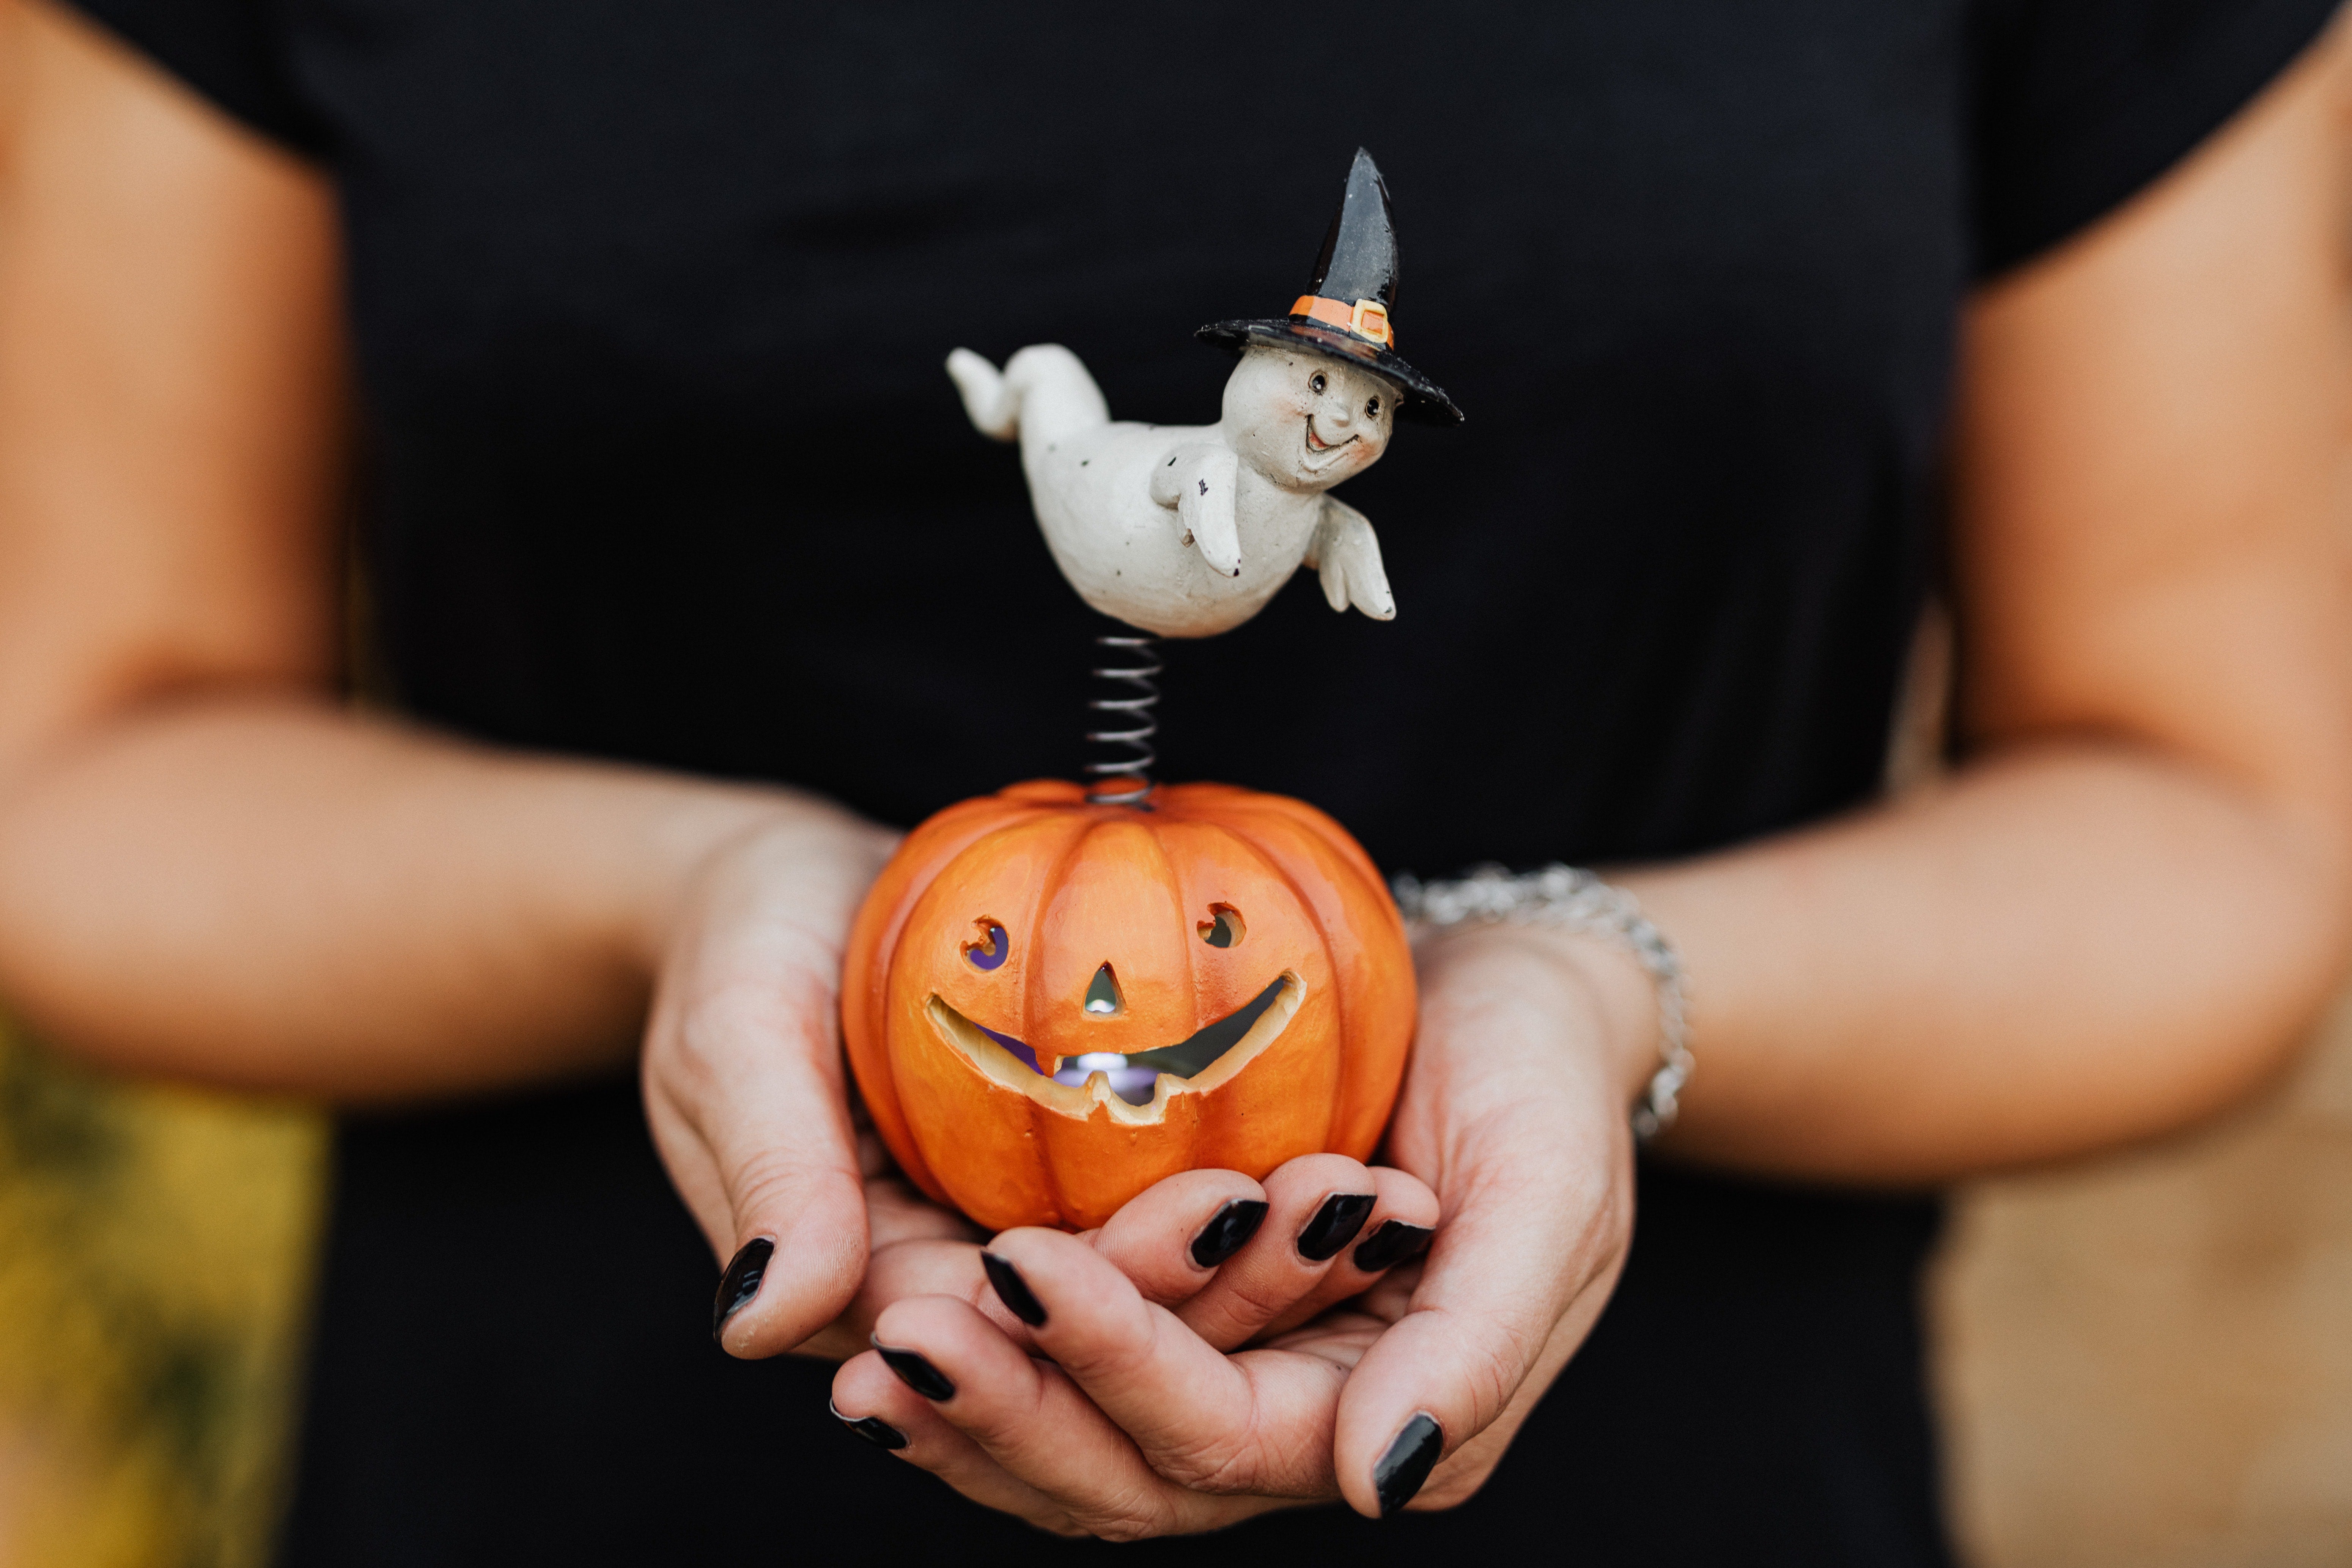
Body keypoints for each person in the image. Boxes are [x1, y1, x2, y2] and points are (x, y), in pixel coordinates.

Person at [0, 0, 2347, 1561]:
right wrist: (697, 894)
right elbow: (84, 772)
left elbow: (2210, 819)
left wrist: (1574, 981)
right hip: (556, 1481)